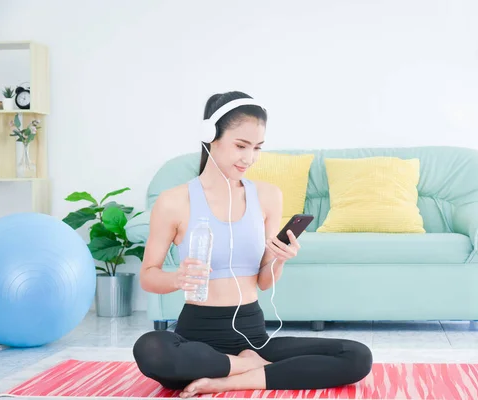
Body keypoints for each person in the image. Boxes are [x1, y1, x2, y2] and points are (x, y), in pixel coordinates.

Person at [132, 91, 373, 398]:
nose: (249, 158)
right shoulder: (173, 202)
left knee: (356, 356)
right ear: (211, 137)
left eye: (257, 148)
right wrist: (177, 278)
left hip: (254, 337)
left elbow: (263, 281)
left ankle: (230, 378)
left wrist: (279, 259)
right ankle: (246, 368)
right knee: (151, 348)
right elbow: (149, 276)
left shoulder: (268, 196)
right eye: (240, 146)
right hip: (197, 336)